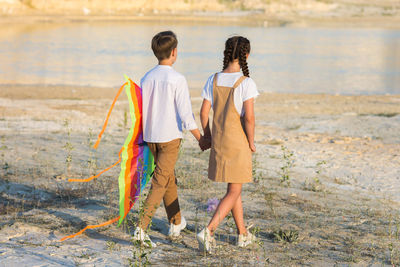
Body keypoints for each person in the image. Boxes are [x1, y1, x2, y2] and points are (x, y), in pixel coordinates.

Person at [133, 31, 209, 247]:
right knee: (160, 181)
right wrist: (200, 138)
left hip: (152, 137)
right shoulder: (177, 79)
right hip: (170, 138)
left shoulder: (146, 77)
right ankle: (141, 228)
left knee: (167, 179)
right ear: (174, 52)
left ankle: (176, 222)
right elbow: (186, 114)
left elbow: (142, 110)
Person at [197, 36, 259, 253]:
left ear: (225, 53)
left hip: (220, 141)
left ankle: (242, 234)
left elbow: (204, 112)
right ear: (247, 55)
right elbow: (249, 118)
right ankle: (209, 230)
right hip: (238, 142)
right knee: (234, 190)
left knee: (234, 188)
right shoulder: (246, 83)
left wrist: (207, 136)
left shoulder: (213, 79)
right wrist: (251, 142)